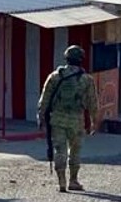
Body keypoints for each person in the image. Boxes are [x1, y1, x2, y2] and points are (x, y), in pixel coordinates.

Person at [38, 45, 99, 193]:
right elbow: (92, 102)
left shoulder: (55, 76)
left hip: (57, 119)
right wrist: (93, 121)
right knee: (75, 151)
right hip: (76, 121)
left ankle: (61, 182)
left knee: (60, 150)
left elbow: (44, 99)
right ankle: (73, 180)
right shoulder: (87, 79)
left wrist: (41, 117)